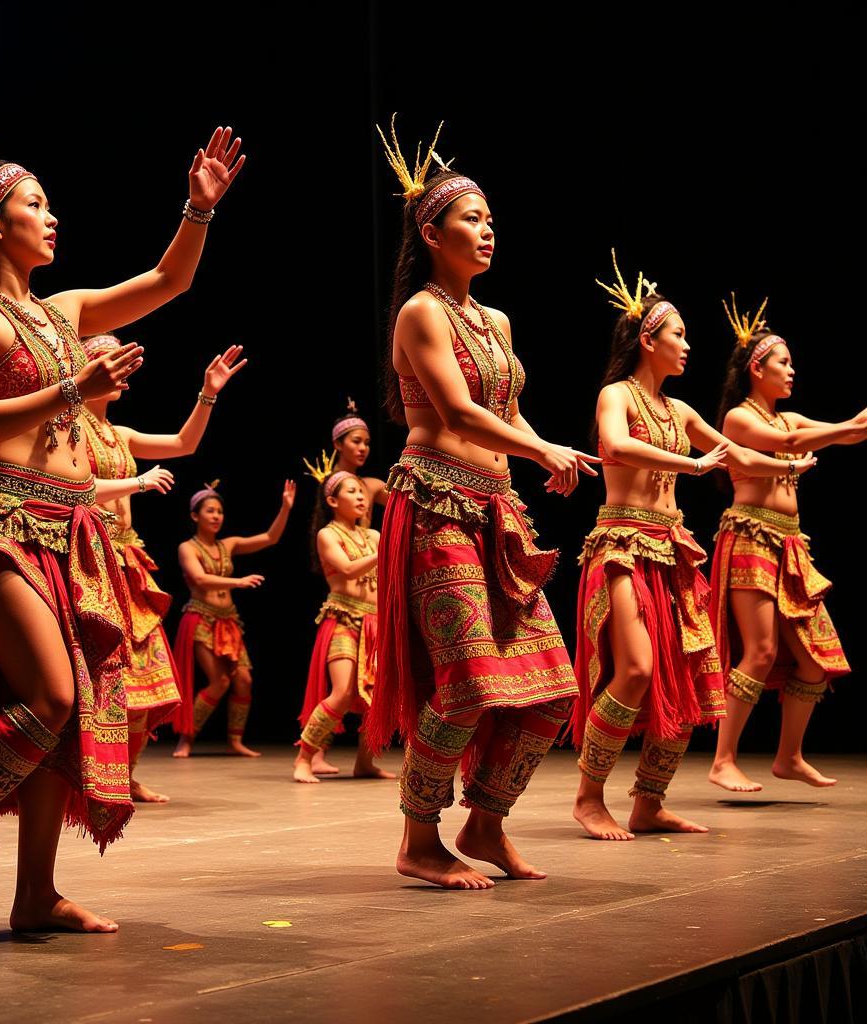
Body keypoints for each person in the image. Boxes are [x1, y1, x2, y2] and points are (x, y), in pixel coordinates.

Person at [0, 124, 244, 934]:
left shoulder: (63, 310)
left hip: (70, 531)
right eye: (33, 204)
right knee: (50, 694)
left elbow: (167, 280)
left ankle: (34, 893)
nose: (51, 217)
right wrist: (71, 391)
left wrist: (197, 209)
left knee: (71, 713)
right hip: (2, 525)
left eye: (48, 205)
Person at [364, 117, 595, 890]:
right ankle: (418, 840)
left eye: (492, 219)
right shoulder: (420, 313)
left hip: (496, 508)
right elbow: (458, 411)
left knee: (552, 691)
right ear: (431, 232)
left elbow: (507, 406)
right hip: (435, 505)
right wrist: (541, 452)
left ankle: (486, 824)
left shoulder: (494, 320)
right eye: (472, 217)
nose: (488, 230)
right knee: (466, 681)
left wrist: (543, 449)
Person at [571, 255, 815, 842]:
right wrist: (693, 463)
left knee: (689, 677)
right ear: (647, 339)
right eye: (677, 334)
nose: (686, 345)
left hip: (671, 549)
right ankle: (587, 798)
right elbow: (615, 448)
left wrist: (789, 459)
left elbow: (738, 454)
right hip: (623, 544)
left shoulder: (679, 410)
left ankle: (648, 802)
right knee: (634, 669)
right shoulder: (617, 396)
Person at [80, 333, 247, 801]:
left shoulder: (121, 434)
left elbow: (183, 443)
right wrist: (137, 481)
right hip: (91, 559)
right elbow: (77, 490)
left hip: (130, 561)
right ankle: (91, 776)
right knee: (99, 675)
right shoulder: (68, 429)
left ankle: (127, 774)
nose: (120, 375)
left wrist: (208, 392)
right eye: (108, 364)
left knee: (144, 682)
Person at [708, 296, 862, 792]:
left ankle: (788, 757)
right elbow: (794, 448)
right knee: (760, 650)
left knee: (816, 661)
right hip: (751, 537)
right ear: (757, 367)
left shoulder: (788, 419)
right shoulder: (737, 420)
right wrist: (840, 432)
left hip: (792, 545)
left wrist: (858, 424)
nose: (793, 371)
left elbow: (848, 434)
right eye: (784, 362)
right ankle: (723, 759)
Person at [172, 479, 295, 757]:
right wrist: (238, 582)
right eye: (210, 511)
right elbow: (200, 579)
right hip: (201, 618)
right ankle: (186, 739)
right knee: (220, 682)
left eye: (219, 511)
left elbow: (269, 538)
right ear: (195, 516)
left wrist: (285, 508)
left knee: (243, 681)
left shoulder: (229, 545)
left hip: (228, 620)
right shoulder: (187, 548)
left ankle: (235, 740)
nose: (216, 516)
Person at [293, 455, 393, 782]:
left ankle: (365, 762)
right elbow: (348, 569)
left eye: (363, 491)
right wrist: (386, 550)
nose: (363, 496)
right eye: (353, 491)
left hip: (375, 621)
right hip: (344, 618)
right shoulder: (328, 535)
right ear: (333, 500)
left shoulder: (375, 536)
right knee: (343, 692)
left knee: (378, 698)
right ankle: (304, 759)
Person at [330, 398, 387, 519]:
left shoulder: (372, 485)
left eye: (367, 443)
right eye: (356, 441)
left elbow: (407, 506)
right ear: (338, 444)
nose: (363, 448)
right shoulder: (329, 484)